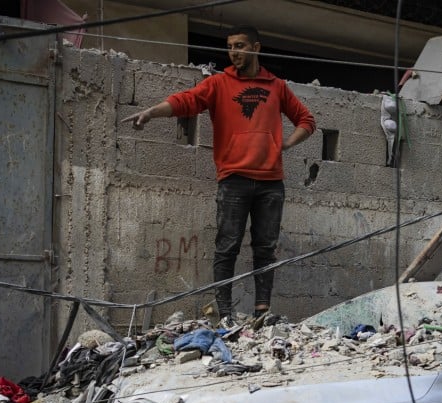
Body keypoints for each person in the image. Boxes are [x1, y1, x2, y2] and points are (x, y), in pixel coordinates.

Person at [122, 25, 316, 323]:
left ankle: (262, 313)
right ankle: (224, 314)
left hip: (270, 184)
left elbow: (306, 119)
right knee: (227, 247)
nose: (234, 52)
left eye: (240, 46)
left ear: (256, 48)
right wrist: (150, 112)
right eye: (230, 47)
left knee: (265, 249)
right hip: (233, 180)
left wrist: (285, 144)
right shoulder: (219, 84)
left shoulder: (276, 86)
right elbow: (185, 101)